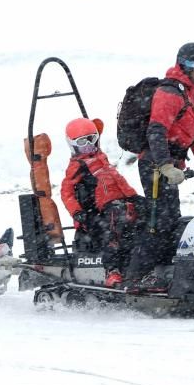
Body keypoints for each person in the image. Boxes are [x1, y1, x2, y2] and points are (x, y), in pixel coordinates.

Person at [125, 42, 194, 289]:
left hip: (172, 167)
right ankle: (134, 278)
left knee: (172, 220)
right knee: (159, 223)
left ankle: (162, 272)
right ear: (186, 64)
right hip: (156, 167)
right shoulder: (170, 92)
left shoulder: (190, 94)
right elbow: (157, 130)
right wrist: (165, 165)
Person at [59, 118, 141, 288]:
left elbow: (118, 182)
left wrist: (134, 198)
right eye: (82, 142)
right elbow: (66, 192)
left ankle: (143, 264)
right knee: (113, 224)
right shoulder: (76, 166)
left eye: (91, 139)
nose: (88, 145)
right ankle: (112, 270)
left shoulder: (102, 159)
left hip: (117, 206)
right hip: (94, 214)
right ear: (73, 144)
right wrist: (77, 212)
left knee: (145, 217)